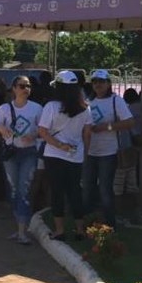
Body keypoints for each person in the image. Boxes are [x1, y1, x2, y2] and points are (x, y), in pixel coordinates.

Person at [38, 71, 93, 241]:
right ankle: (80, 229)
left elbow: (43, 132)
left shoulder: (52, 107)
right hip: (75, 154)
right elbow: (87, 133)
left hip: (54, 154)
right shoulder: (85, 107)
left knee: (57, 192)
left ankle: (60, 230)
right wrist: (84, 152)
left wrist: (59, 145)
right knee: (75, 191)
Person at [0, 75, 43, 244]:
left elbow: (43, 130)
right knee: (13, 190)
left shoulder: (36, 108)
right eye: (21, 86)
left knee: (24, 189)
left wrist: (33, 134)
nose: (25, 89)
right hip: (11, 153)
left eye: (28, 86)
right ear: (14, 89)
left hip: (29, 152)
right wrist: (0, 128)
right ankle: (19, 224)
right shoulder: (4, 108)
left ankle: (22, 230)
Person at [83, 69, 135, 228]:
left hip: (108, 152)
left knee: (105, 189)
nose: (98, 84)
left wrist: (108, 126)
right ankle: (87, 222)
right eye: (95, 82)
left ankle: (109, 224)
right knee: (87, 188)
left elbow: (130, 122)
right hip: (89, 151)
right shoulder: (88, 102)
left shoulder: (116, 100)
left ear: (108, 84)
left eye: (101, 81)